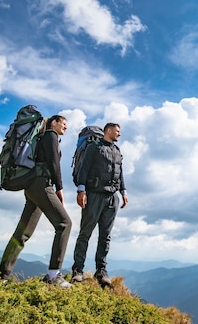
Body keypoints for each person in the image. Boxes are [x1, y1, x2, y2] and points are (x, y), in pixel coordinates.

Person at [0, 115, 73, 288]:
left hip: (32, 186)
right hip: (41, 184)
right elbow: (54, 163)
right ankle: (54, 275)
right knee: (64, 224)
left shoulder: (41, 138)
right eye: (63, 123)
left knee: (23, 232)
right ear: (54, 123)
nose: (65, 127)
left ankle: (2, 275)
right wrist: (60, 188)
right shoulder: (51, 136)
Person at [71, 122, 128, 286]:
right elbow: (84, 169)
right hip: (94, 194)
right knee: (85, 233)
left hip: (112, 197)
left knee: (106, 236)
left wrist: (123, 192)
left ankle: (101, 271)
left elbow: (120, 172)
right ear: (108, 131)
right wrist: (81, 191)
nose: (119, 134)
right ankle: (78, 270)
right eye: (117, 131)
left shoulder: (117, 151)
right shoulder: (94, 147)